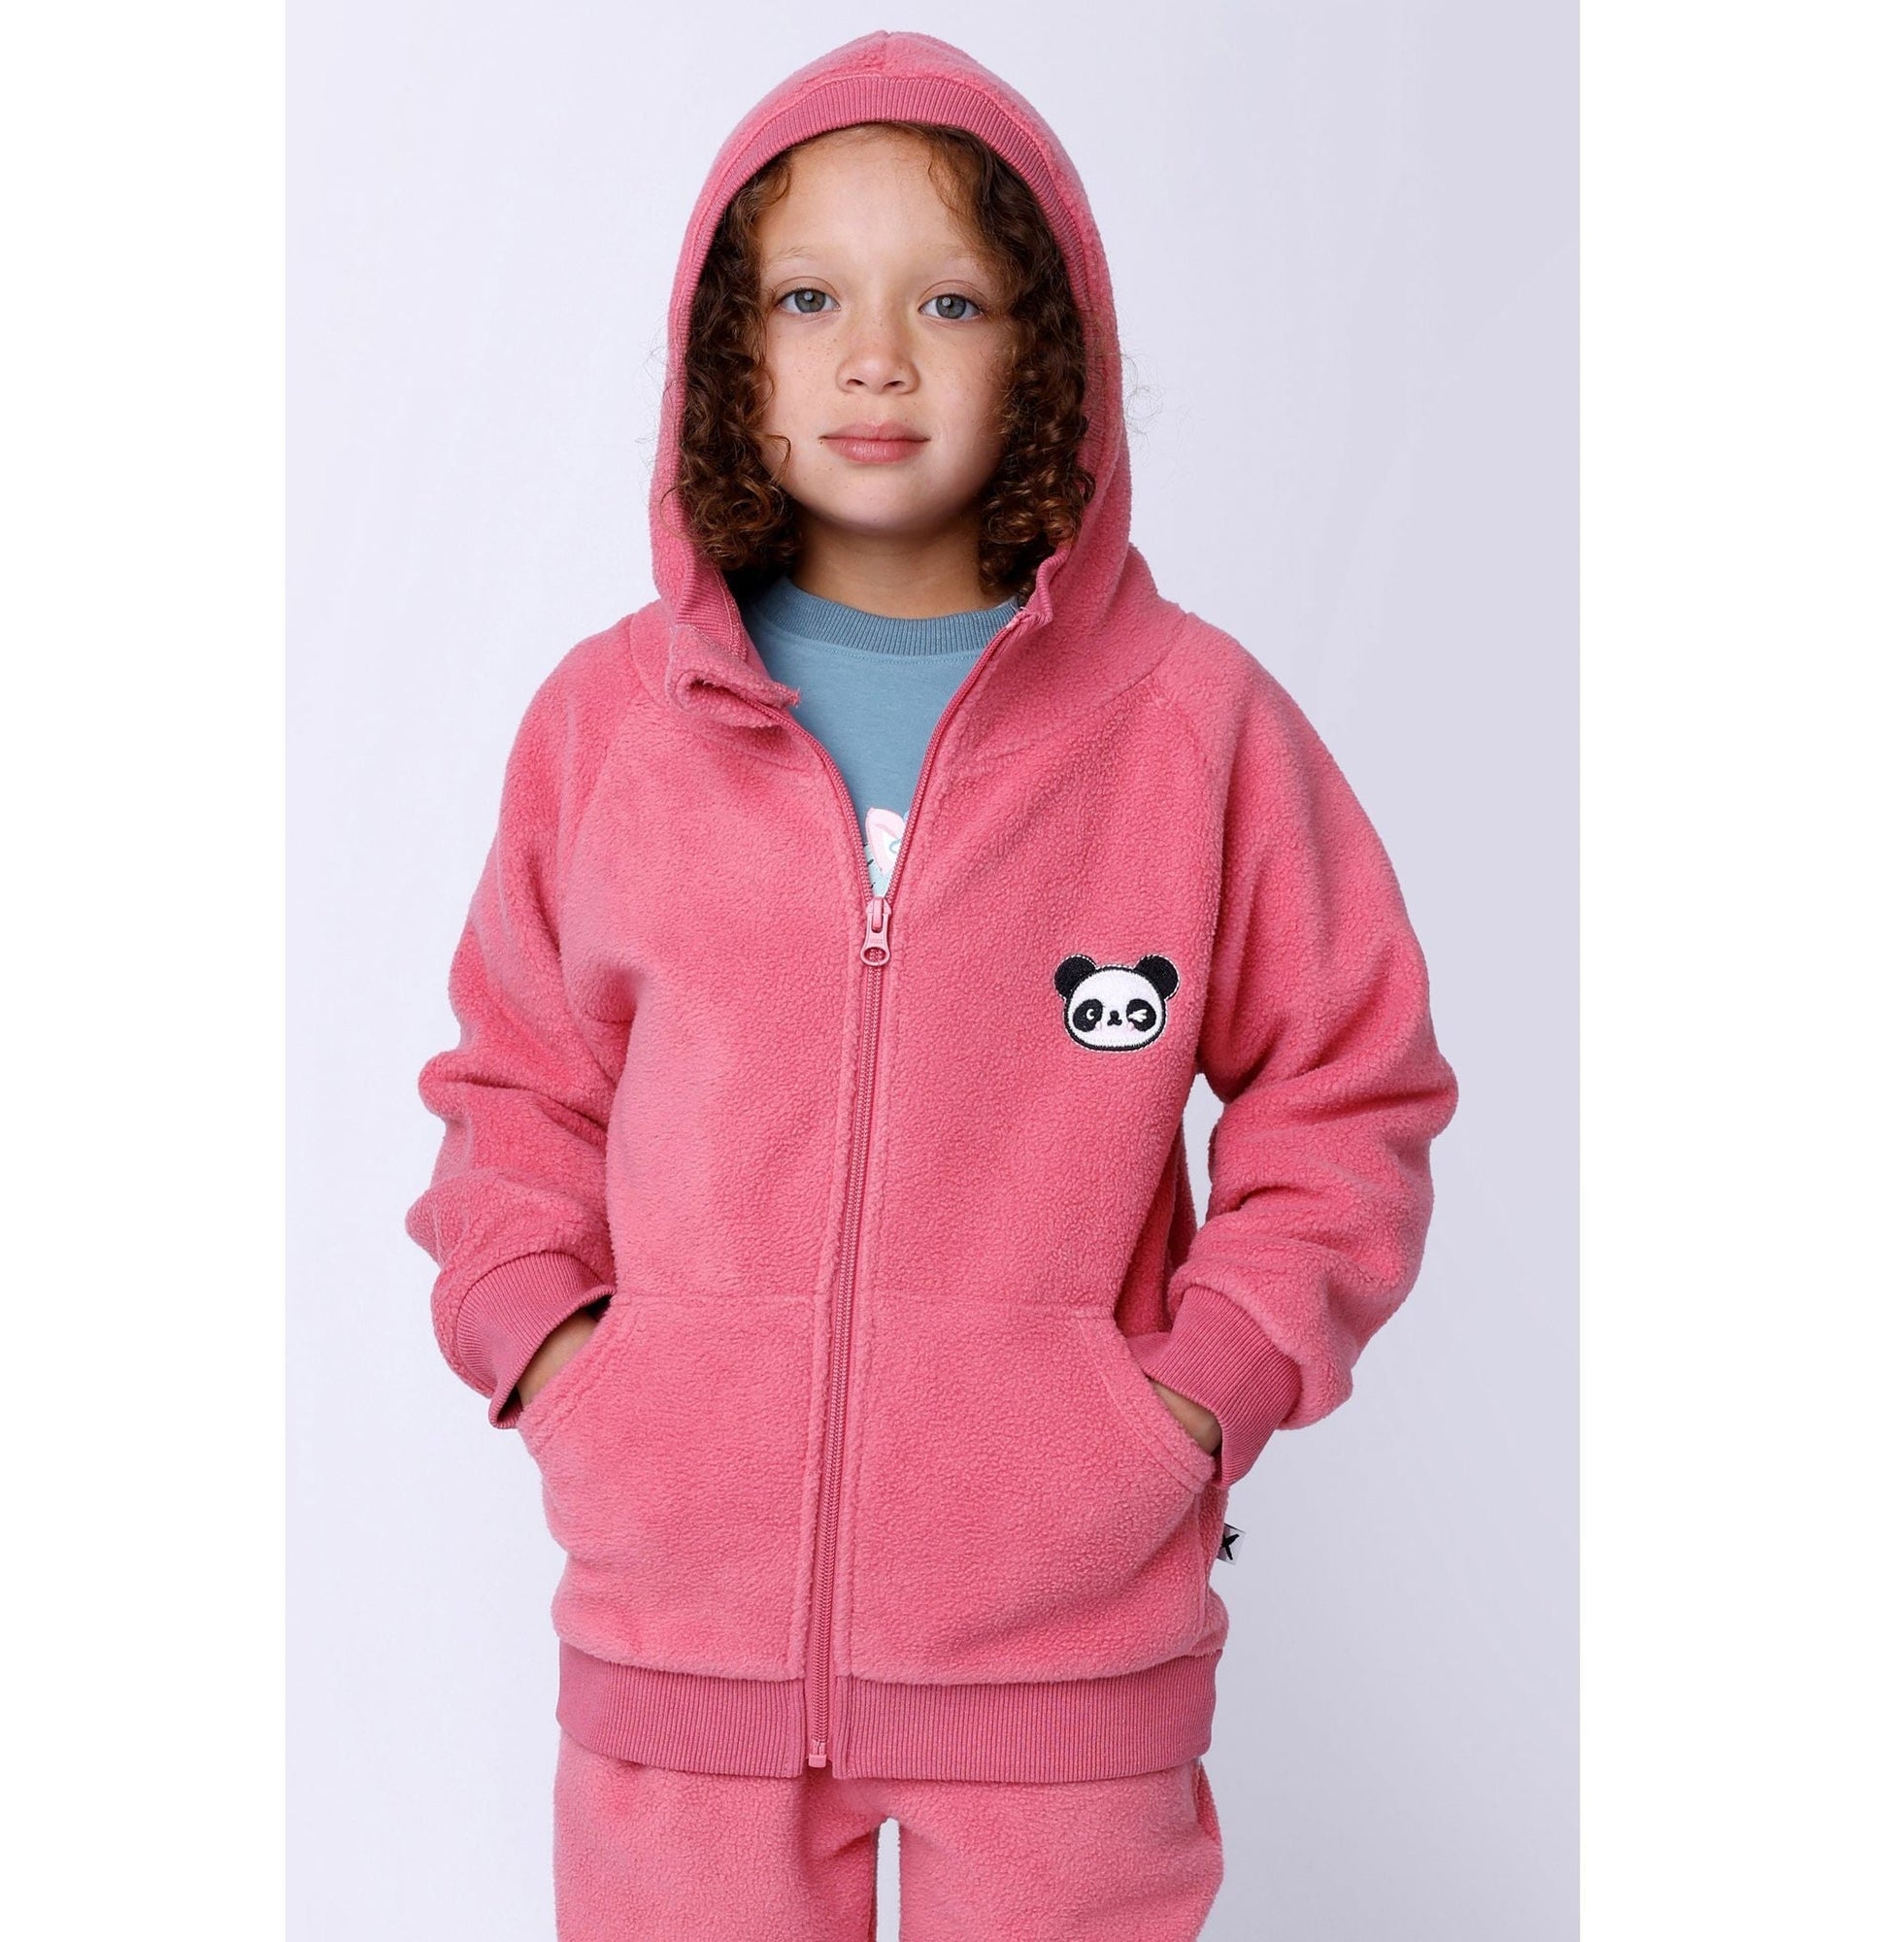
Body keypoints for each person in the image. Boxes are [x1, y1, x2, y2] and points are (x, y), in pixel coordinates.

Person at [405, 29, 1459, 1940]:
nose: (873, 356)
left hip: (1069, 1657)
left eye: (948, 301)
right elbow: (515, 1090)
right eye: (807, 299)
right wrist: (557, 1354)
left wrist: (1194, 1396)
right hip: (682, 1648)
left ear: (1052, 353)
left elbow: (1348, 1086)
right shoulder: (607, 729)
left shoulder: (1190, 729)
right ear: (725, 354)